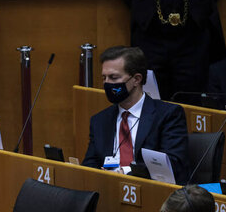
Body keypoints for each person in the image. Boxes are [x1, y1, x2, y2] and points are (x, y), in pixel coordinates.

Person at [81, 46, 189, 184]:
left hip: (152, 192)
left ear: (136, 79)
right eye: (104, 78)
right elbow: (90, 164)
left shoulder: (168, 115)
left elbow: (172, 165)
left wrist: (126, 173)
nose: (107, 83)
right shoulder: (100, 120)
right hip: (108, 190)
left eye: (114, 77)